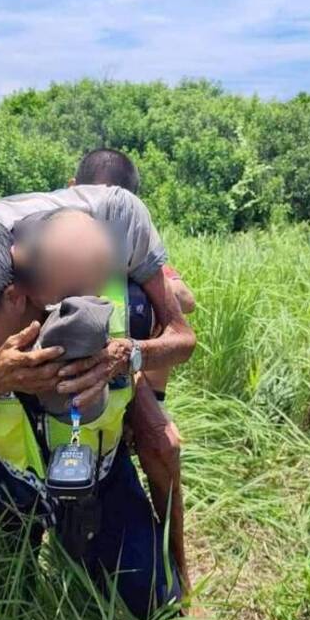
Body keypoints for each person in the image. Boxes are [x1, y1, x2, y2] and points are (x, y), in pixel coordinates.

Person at [0, 210, 193, 620]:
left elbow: (178, 344)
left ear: (15, 297)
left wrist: (125, 358)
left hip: (102, 481)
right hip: (5, 488)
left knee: (156, 606)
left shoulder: (116, 316)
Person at [69, 148, 195, 592]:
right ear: (72, 193)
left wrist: (153, 286)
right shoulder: (53, 231)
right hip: (67, 373)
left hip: (128, 373)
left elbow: (183, 302)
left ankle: (179, 569)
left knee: (162, 445)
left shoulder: (133, 240)